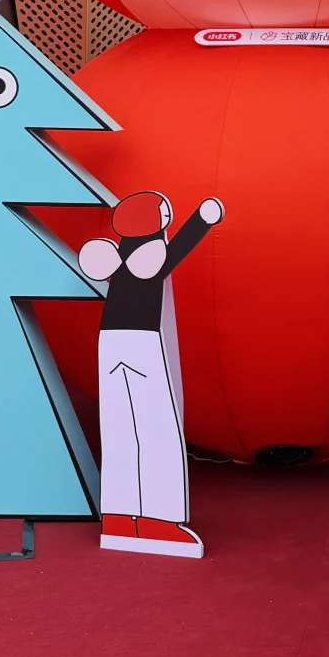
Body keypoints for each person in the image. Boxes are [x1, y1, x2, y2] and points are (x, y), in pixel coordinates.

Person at [78, 191, 223, 557]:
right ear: (161, 221)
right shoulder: (153, 259)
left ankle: (119, 518)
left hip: (110, 342)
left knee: (120, 429)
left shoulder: (117, 262)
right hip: (142, 342)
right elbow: (183, 243)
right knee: (155, 428)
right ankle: (159, 520)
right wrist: (203, 217)